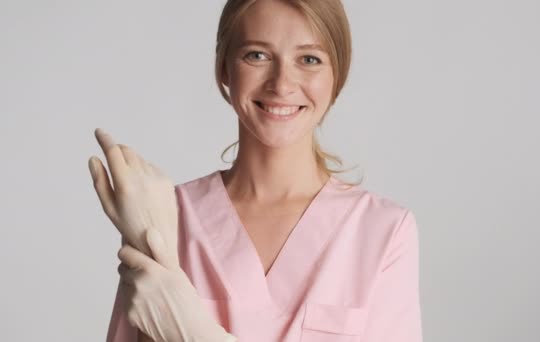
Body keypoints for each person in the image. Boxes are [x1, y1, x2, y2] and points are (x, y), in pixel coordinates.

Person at [90, 0, 422, 341]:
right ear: (223, 68)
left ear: (337, 75)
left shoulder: (382, 232)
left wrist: (194, 332)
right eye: (257, 55)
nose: (281, 84)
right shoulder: (166, 219)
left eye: (309, 59)